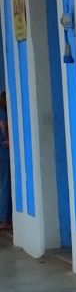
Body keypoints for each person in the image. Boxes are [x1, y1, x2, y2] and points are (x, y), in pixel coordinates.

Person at [0, 91, 11, 231]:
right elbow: (3, 124)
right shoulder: (2, 112)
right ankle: (4, 219)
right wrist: (7, 138)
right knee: (5, 186)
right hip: (3, 154)